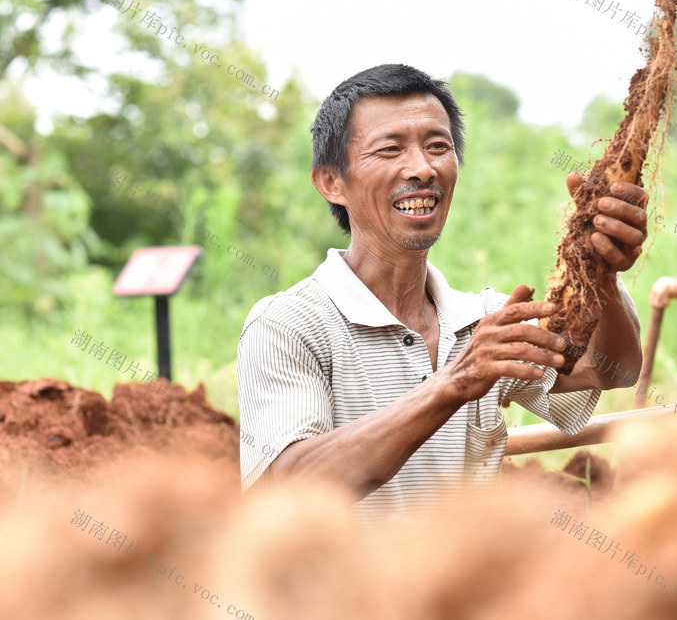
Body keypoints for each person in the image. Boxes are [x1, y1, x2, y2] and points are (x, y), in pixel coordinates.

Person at [236, 64, 647, 521]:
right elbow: (289, 488)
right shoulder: (288, 325)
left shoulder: (484, 320)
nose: (422, 168)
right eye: (390, 149)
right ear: (332, 183)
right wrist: (450, 386)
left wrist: (602, 272)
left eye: (438, 147)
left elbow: (611, 370)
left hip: (459, 592)